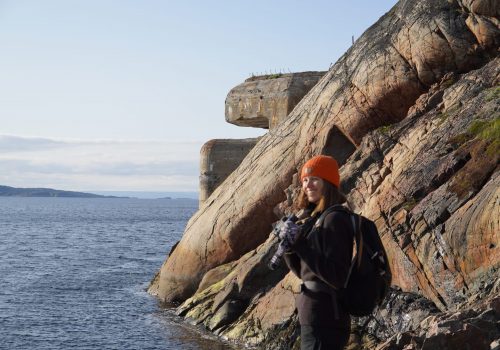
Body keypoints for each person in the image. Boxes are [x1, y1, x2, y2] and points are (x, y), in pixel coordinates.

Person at [282, 155, 354, 350]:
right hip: (315, 315)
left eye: (315, 179)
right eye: (305, 180)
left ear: (328, 182)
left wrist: (301, 246)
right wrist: (289, 248)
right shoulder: (317, 219)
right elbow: (304, 273)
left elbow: (336, 276)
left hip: (326, 317)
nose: (308, 185)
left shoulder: (335, 219)